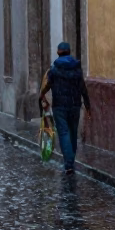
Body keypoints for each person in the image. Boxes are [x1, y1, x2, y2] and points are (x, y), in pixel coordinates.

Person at [38, 42, 91, 173]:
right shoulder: (77, 68)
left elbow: (47, 85)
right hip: (75, 105)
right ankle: (70, 161)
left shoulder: (54, 69)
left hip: (59, 106)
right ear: (69, 51)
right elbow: (83, 88)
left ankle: (69, 163)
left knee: (63, 133)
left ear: (58, 52)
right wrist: (87, 104)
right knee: (73, 132)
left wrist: (42, 95)